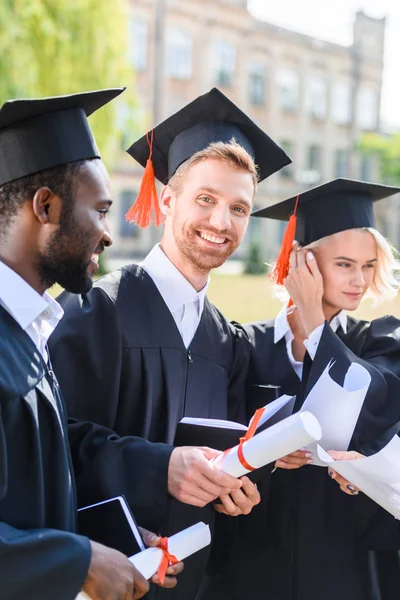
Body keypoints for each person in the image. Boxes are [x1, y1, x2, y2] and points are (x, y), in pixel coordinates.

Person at [48, 87, 291, 600]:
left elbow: (226, 452)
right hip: (105, 577)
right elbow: (52, 442)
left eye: (239, 208)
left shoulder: (228, 342)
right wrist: (159, 467)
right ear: (167, 197)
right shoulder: (99, 309)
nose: (220, 223)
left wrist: (234, 489)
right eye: (206, 199)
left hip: (190, 583)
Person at [0, 87, 186, 600]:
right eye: (100, 210)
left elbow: (29, 497)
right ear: (46, 206)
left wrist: (109, 542)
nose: (108, 234)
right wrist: (79, 562)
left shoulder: (29, 330)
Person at [200, 177, 400, 600]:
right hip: (252, 566)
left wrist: (313, 322)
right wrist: (265, 453)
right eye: (344, 264)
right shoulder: (243, 345)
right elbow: (213, 441)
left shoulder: (378, 343)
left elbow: (373, 405)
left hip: (344, 566)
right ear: (302, 261)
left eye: (367, 266)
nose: (360, 281)